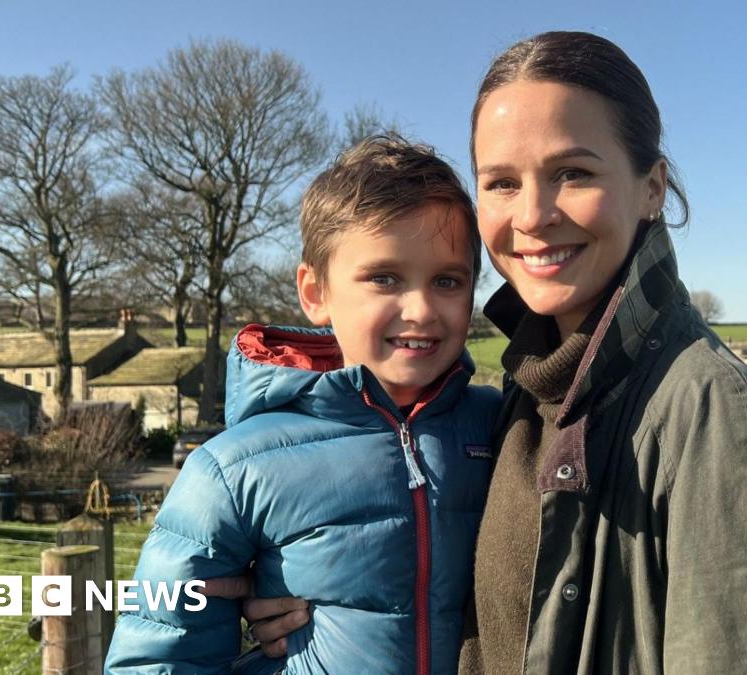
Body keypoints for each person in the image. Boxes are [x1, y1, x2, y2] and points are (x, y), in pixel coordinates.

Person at [237, 31, 747, 674]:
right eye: (500, 182)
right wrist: (305, 589)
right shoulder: (526, 394)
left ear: (653, 187)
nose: (532, 214)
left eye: (572, 173)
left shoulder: (718, 423)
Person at [104, 135, 500, 674]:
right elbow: (157, 655)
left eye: (448, 280)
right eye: (384, 277)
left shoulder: (503, 427)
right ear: (315, 293)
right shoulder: (233, 468)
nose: (421, 309)